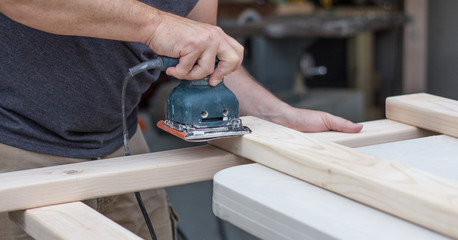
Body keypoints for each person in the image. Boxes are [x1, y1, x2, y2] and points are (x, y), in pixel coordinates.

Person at [0, 0, 362, 239]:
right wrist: (155, 26)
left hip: (118, 143)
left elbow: (206, 55)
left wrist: (277, 113)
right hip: (17, 145)